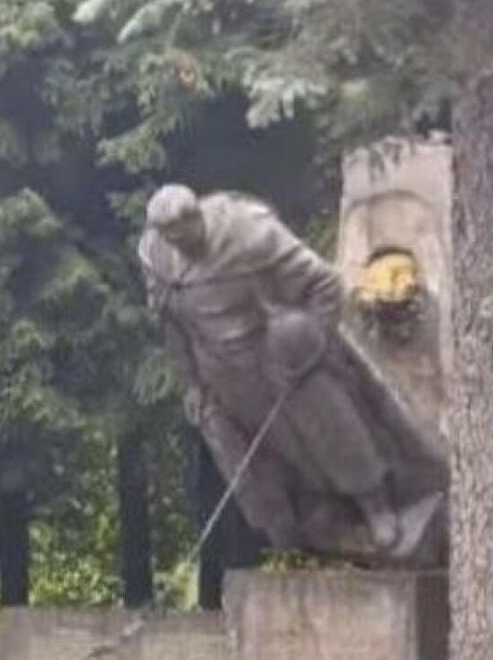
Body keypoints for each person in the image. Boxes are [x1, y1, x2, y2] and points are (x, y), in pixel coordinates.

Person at [138, 183, 445, 563]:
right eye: (170, 237)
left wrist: (309, 343)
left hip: (279, 355)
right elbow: (172, 326)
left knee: (328, 424)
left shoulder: (247, 231)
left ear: (198, 217)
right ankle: (316, 518)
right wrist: (193, 383)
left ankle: (376, 505)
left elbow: (324, 282)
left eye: (185, 232)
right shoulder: (156, 256)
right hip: (223, 371)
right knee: (276, 451)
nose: (179, 244)